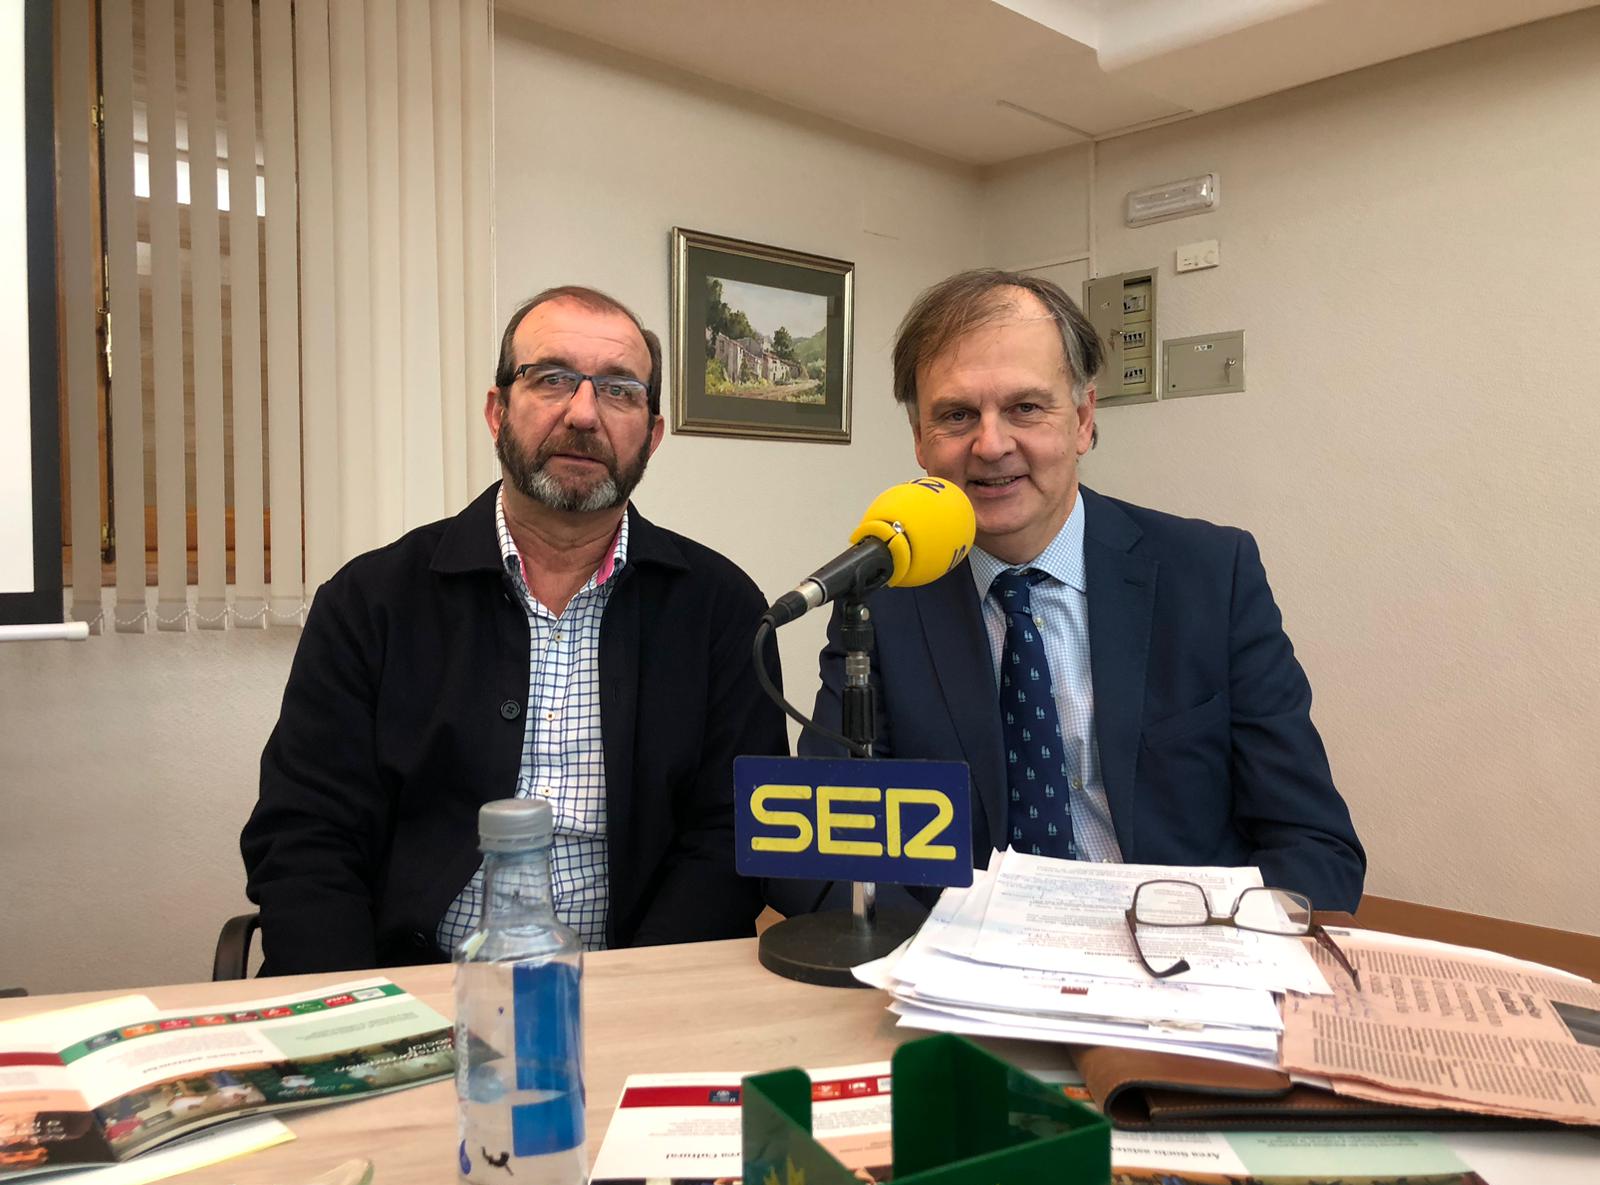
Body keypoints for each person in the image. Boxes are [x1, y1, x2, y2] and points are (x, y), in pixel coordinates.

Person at [242, 285, 787, 974]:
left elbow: (729, 838)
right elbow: (305, 838)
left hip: (635, 989)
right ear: (498, 411)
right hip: (407, 991)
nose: (584, 414)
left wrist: (637, 1002)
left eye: (620, 391)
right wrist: (366, 1022)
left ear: (651, 434)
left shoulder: (722, 608)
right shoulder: (370, 600)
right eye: (552, 379)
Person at [791, 269, 1363, 912]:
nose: (991, 444)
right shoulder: (884, 600)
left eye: (1025, 408)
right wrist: (944, 959)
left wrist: (1227, 952)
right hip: (969, 974)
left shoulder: (1209, 575)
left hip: (1178, 963)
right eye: (956, 415)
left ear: (1085, 419)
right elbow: (824, 855)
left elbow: (1313, 844)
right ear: (921, 440)